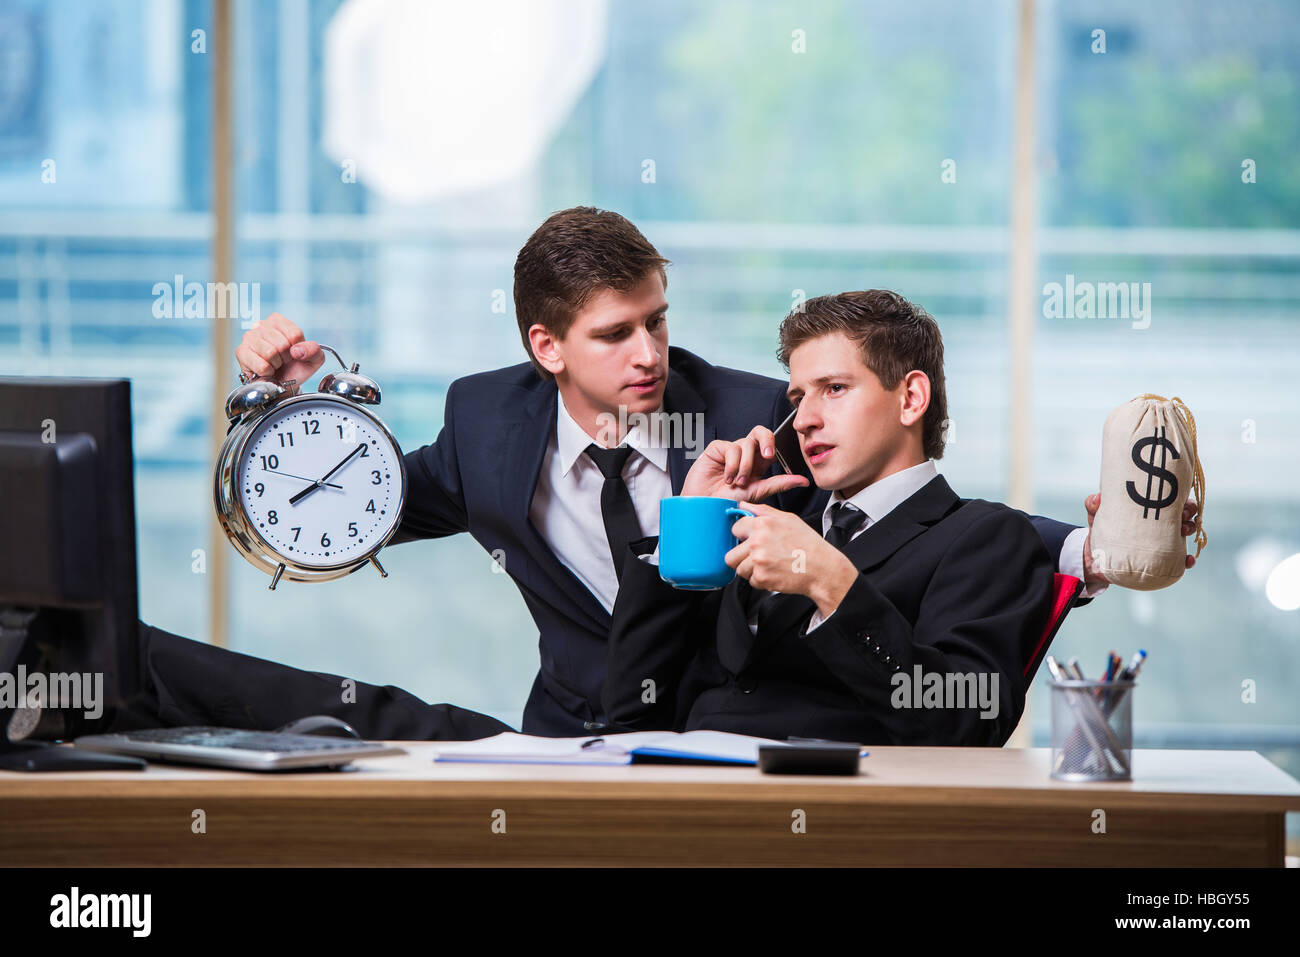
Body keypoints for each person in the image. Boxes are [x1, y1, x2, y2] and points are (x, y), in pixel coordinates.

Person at [107, 209, 1180, 740]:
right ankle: (105, 675)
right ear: (546, 348)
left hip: (718, 748)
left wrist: (1095, 549)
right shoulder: (485, 427)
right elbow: (344, 512)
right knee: (355, 719)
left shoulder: (759, 418)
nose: (648, 356)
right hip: (573, 736)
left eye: (658, 321)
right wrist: (301, 411)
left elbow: (930, 523)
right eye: (616, 333)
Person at [601, 291, 1180, 745]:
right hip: (685, 807)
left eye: (834, 389)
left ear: (911, 399)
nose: (803, 419)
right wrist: (692, 521)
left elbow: (965, 723)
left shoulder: (985, 538)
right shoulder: (769, 516)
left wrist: (832, 584)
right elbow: (629, 707)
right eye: (799, 397)